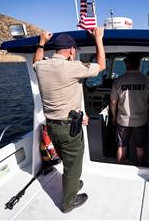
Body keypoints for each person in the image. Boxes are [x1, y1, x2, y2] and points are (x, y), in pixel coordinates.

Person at [33, 28, 106, 213]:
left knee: (66, 160)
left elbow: (35, 61)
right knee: (73, 165)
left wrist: (41, 42)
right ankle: (68, 203)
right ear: (72, 50)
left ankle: (72, 184)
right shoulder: (73, 67)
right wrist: (98, 39)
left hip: (51, 126)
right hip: (69, 128)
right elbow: (101, 65)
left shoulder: (42, 66)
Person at [110, 53, 149, 166]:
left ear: (126, 64)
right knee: (140, 147)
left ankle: (119, 167)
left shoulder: (118, 80)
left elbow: (113, 102)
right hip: (141, 121)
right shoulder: (148, 80)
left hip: (122, 121)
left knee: (121, 147)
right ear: (139, 64)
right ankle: (141, 168)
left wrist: (114, 117)